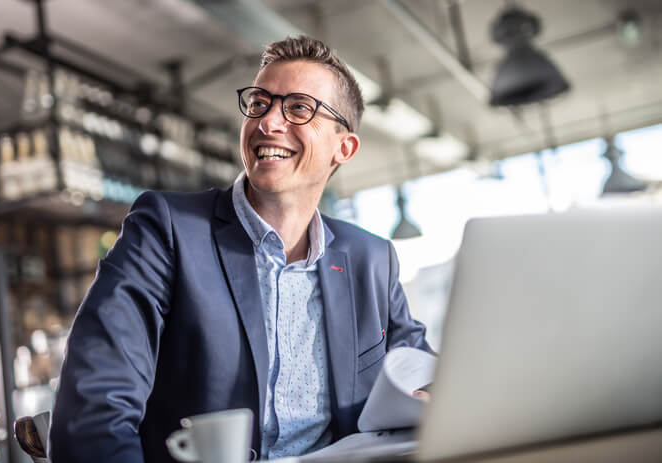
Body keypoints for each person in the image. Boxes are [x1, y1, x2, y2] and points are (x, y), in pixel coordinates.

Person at [49, 35, 433, 462]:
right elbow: (93, 405)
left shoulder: (370, 259)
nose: (268, 122)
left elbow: (420, 369)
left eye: (299, 108)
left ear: (344, 148)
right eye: (259, 103)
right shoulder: (167, 230)